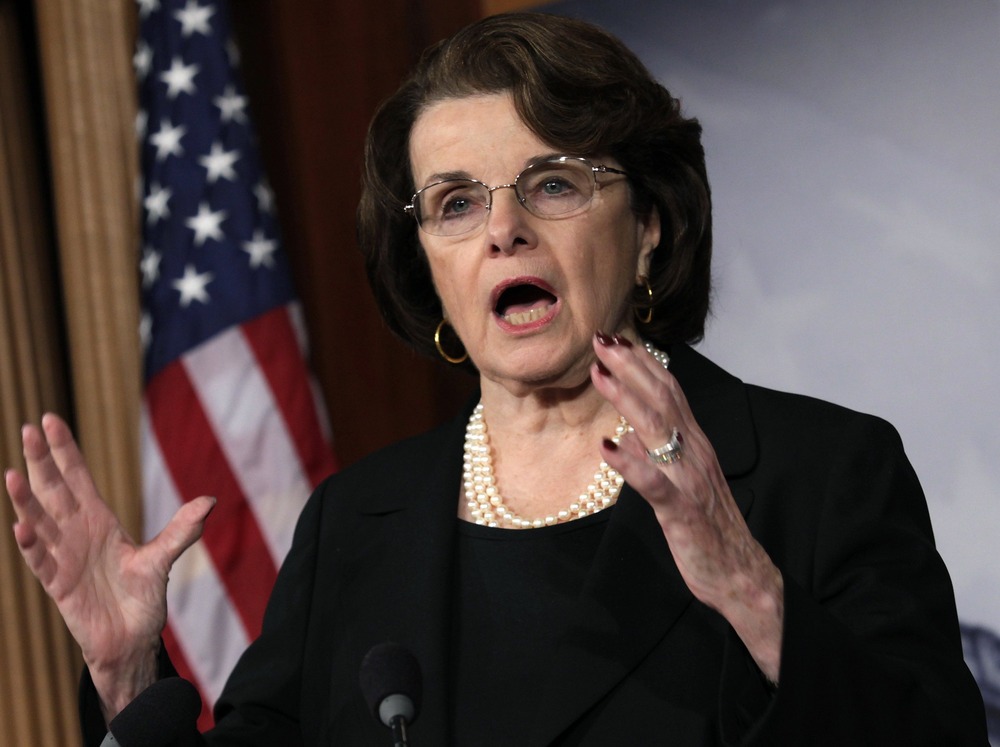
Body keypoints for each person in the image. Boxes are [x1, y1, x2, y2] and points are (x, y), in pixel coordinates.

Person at [4, 11, 988, 746]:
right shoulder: (355, 526)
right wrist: (130, 676)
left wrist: (745, 585)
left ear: (647, 227)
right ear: (427, 261)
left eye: (553, 183)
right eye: (455, 203)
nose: (502, 229)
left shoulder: (817, 475)